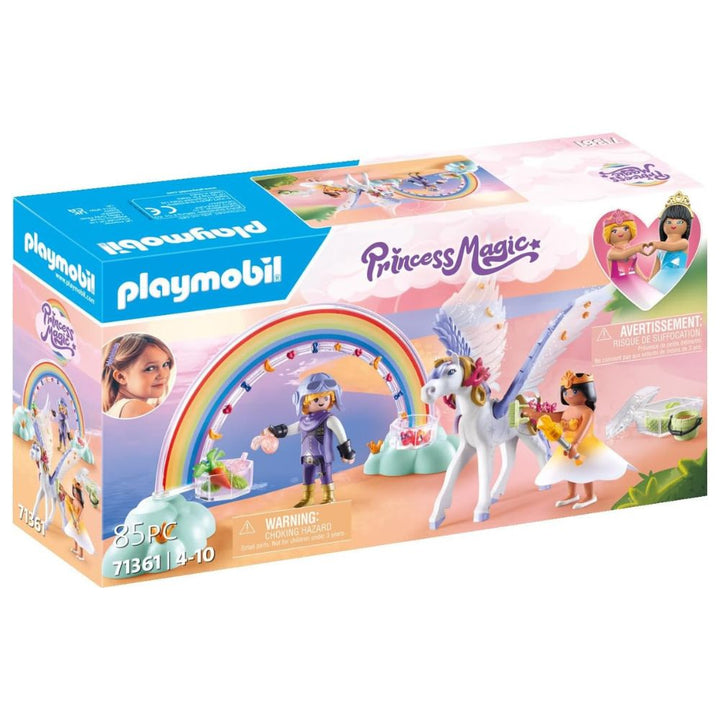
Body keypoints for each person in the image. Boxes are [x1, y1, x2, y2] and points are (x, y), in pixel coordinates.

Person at [528, 371, 634, 510]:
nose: (569, 395)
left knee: (585, 471)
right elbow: (551, 417)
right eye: (565, 392)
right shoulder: (567, 411)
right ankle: (572, 494)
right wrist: (534, 414)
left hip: (584, 446)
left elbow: (583, 430)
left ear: (587, 392)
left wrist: (575, 444)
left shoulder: (587, 412)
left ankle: (590, 495)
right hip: (566, 445)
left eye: (574, 391)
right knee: (569, 470)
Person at [264, 372, 356, 507]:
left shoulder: (330, 419)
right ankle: (307, 498)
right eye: (316, 399)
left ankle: (329, 497)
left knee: (325, 475)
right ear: (305, 401)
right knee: (307, 476)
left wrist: (347, 452)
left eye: (326, 398)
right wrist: (275, 431)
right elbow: (290, 429)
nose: (322, 402)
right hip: (307, 455)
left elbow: (341, 434)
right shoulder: (304, 421)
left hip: (323, 456)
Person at [102, 334, 174, 418]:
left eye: (165, 364)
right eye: (150, 368)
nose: (163, 374)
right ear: (121, 377)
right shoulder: (135, 408)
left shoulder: (118, 409)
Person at [648, 191, 693, 294]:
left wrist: (657, 244)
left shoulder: (683, 243)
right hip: (660, 281)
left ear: (687, 226)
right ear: (662, 225)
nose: (673, 225)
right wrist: (649, 283)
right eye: (668, 222)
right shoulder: (661, 247)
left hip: (677, 278)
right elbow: (656, 269)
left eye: (679, 222)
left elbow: (672, 247)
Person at [59, 480, 95, 560]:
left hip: (77, 522)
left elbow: (81, 511)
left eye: (77, 493)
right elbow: (68, 497)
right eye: (74, 492)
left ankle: (81, 555)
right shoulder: (74, 500)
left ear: (79, 494)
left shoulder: (79, 504)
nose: (75, 494)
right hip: (74, 521)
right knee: (74, 535)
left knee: (80, 538)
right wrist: (63, 490)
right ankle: (75, 549)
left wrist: (77, 521)